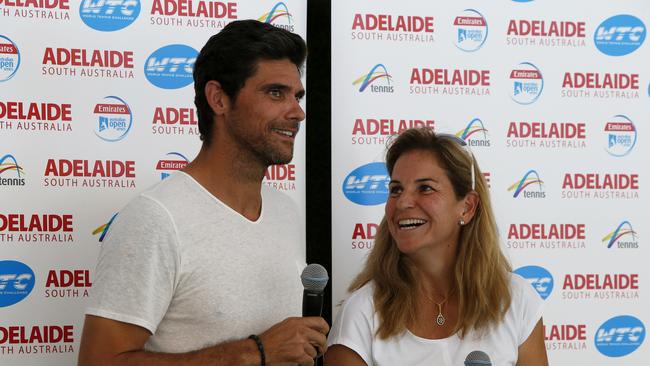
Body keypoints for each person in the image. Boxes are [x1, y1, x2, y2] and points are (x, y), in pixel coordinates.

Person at [78, 20, 329, 366]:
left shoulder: (285, 211)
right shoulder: (156, 218)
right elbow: (98, 362)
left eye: (297, 96)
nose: (297, 112)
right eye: (275, 93)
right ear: (219, 99)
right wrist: (255, 352)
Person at [325, 128, 548, 366]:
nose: (403, 202)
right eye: (396, 189)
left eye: (425, 188)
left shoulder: (516, 299)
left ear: (467, 207)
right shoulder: (361, 312)